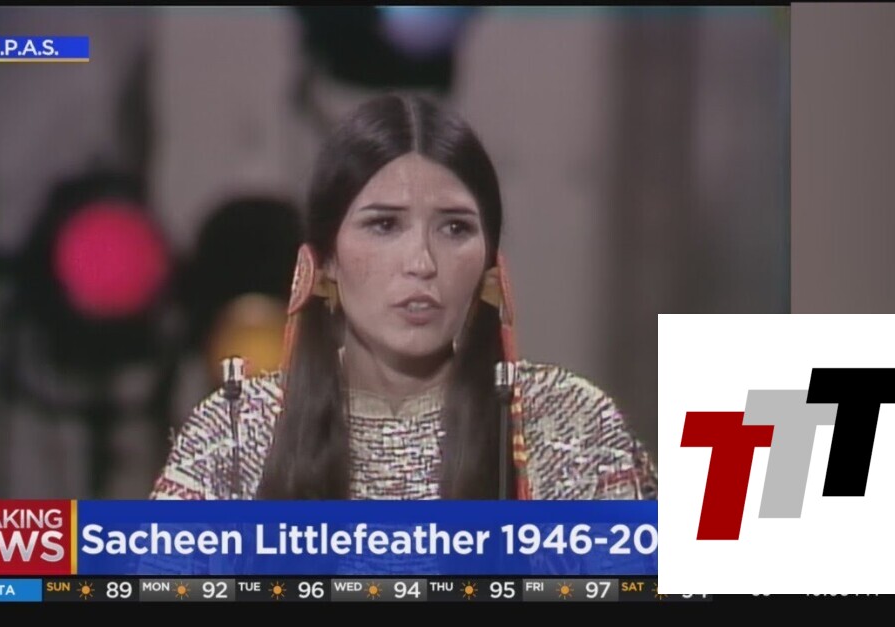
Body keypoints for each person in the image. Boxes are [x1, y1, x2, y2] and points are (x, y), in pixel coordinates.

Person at [151, 93, 657, 501]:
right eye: (385, 225)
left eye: (455, 228)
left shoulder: (568, 424)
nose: (422, 261)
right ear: (324, 261)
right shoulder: (234, 435)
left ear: (490, 263)